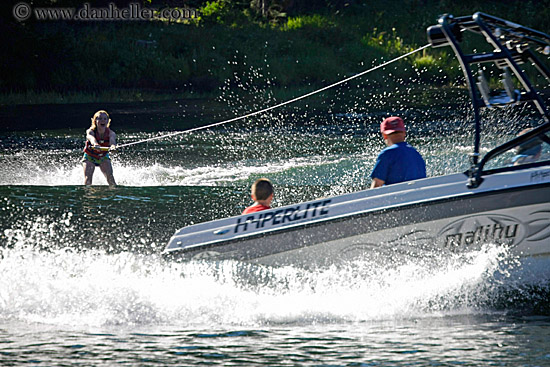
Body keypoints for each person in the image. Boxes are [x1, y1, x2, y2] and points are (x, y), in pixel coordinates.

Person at [370, 116, 426, 188]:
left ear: (384, 135)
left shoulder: (387, 153)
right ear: (404, 133)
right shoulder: (415, 153)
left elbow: (377, 185)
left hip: (395, 197)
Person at [82, 110, 117, 186]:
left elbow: (112, 141)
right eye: (100, 118)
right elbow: (91, 138)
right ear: (95, 121)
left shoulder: (111, 133)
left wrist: (113, 147)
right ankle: (87, 195)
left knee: (110, 179)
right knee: (88, 179)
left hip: (103, 157)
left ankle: (114, 195)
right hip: (90, 157)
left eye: (105, 119)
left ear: (108, 121)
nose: (102, 121)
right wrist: (95, 144)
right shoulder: (90, 131)